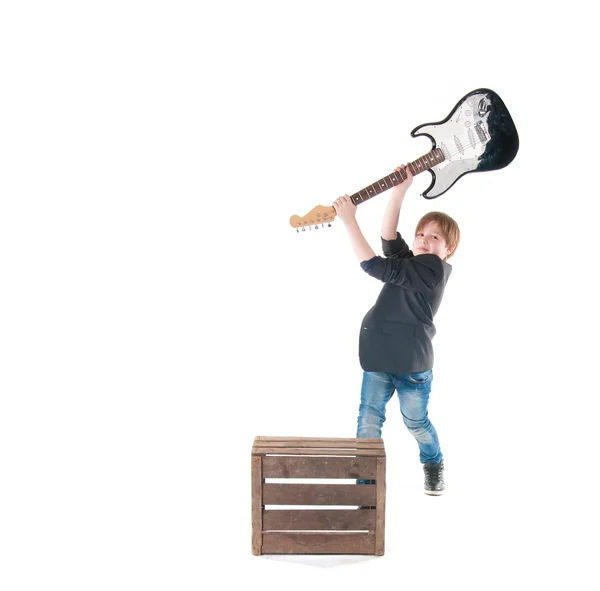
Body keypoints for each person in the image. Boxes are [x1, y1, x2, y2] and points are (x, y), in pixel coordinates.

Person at [332, 164, 460, 495]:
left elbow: (373, 265)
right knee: (368, 424)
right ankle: (365, 489)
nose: (425, 240)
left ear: (448, 251)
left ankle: (433, 463)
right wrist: (399, 191)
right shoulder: (414, 263)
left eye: (435, 237)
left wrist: (349, 221)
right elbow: (389, 239)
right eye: (421, 234)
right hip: (379, 358)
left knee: (416, 423)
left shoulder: (431, 271)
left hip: (412, 366)